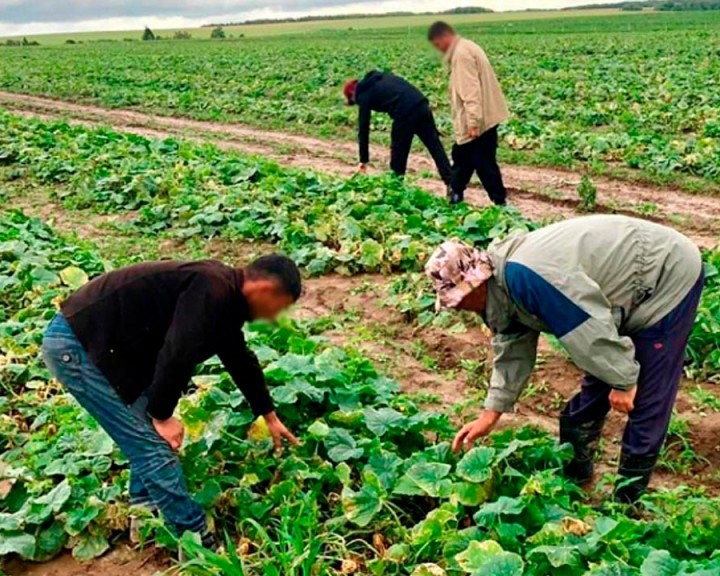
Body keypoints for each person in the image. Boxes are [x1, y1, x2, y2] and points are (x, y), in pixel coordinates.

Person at [425, 215, 704, 503]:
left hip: (664, 274)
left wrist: (624, 381)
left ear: (474, 284)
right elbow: (512, 349)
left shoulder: (526, 277)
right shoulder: (499, 289)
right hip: (618, 291)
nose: (456, 307)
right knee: (600, 375)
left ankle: (628, 505)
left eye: (455, 299)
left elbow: (586, 326)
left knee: (644, 396)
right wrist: (490, 413)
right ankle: (576, 480)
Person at [41, 255, 302, 547]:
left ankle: (145, 519)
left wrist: (268, 414)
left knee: (151, 443)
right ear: (266, 289)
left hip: (108, 350)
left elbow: (238, 358)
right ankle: (198, 546)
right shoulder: (212, 288)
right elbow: (179, 350)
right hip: (79, 346)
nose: (274, 316)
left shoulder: (223, 296)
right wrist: (162, 415)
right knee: (155, 449)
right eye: (280, 307)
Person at [428, 21, 509, 206]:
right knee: (463, 159)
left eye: (437, 45)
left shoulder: (461, 55)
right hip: (485, 115)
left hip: (478, 120)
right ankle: (456, 194)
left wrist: (473, 122)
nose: (439, 49)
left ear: (444, 37)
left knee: (483, 163)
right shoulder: (468, 46)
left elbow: (471, 91)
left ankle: (499, 202)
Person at [344, 70, 453, 192]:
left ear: (352, 94)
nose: (357, 103)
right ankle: (452, 184)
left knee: (399, 150)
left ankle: (396, 188)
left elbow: (363, 127)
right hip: (421, 104)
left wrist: (363, 160)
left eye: (353, 101)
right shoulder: (381, 77)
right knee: (434, 145)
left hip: (405, 111)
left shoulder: (362, 94)